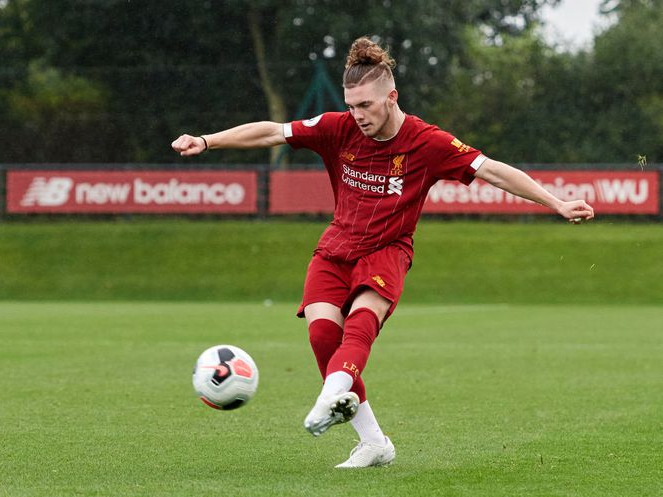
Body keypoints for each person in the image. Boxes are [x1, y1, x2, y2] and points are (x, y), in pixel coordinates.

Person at [172, 36, 595, 468]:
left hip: (387, 251)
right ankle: (374, 443)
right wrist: (207, 141)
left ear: (391, 98)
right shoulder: (338, 128)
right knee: (322, 336)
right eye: (352, 105)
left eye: (367, 106)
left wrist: (556, 203)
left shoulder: (427, 142)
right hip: (337, 246)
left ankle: (328, 398)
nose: (358, 116)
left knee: (359, 327)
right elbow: (272, 133)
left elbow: (494, 172)